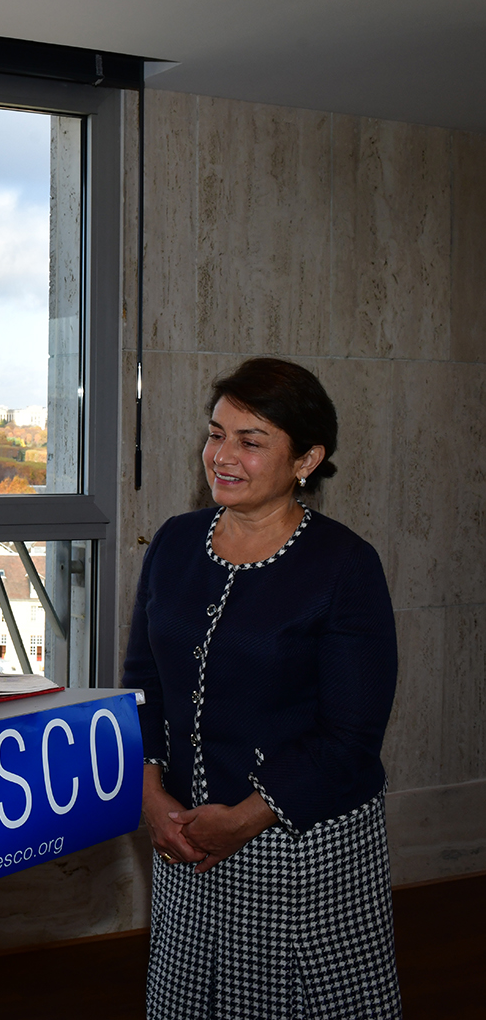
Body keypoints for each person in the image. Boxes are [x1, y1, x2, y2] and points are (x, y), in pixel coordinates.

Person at [123, 357, 400, 1018]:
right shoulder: (175, 541)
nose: (222, 456)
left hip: (298, 844)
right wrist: (149, 792)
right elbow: (142, 681)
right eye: (216, 434)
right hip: (186, 835)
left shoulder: (345, 565)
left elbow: (351, 737)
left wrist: (246, 818)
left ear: (306, 459)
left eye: (251, 441)